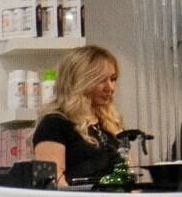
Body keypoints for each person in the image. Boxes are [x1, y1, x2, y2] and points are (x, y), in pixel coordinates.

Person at [29, 45, 130, 185]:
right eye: (101, 80)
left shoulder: (112, 123)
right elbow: (53, 181)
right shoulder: (53, 124)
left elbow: (128, 173)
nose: (110, 88)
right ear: (80, 81)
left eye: (113, 79)